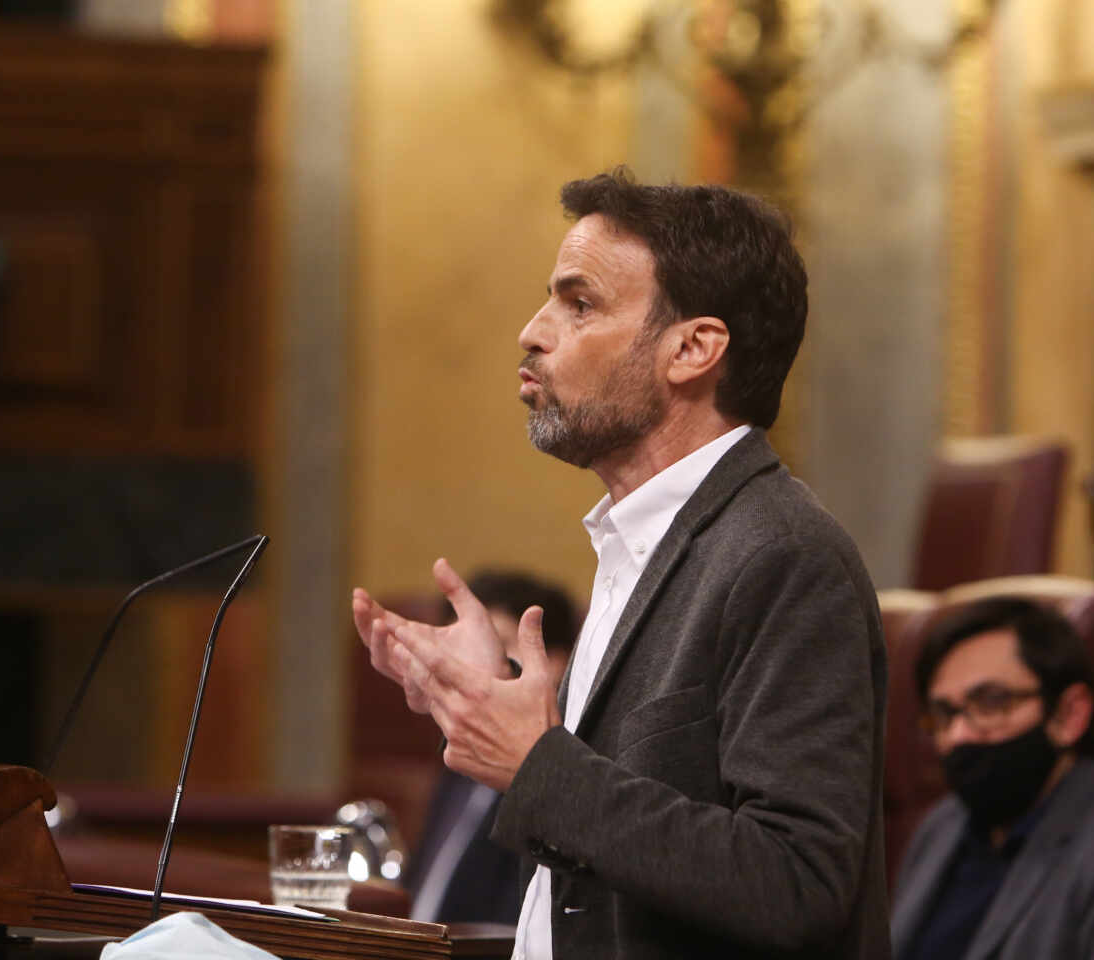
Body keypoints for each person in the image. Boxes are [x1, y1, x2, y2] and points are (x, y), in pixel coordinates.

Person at [352, 168, 888, 959]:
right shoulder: (639, 541)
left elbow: (798, 883)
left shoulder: (783, 557)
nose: (533, 332)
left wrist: (538, 763)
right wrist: (494, 700)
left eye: (580, 304)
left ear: (693, 349)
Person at [890, 597, 1094, 960]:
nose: (958, 735)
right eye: (944, 714)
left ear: (1069, 714)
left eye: (992, 702)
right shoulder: (943, 823)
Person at [408, 571, 579, 925]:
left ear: (556, 663)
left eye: (498, 647)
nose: (469, 670)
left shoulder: (568, 783)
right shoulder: (455, 763)